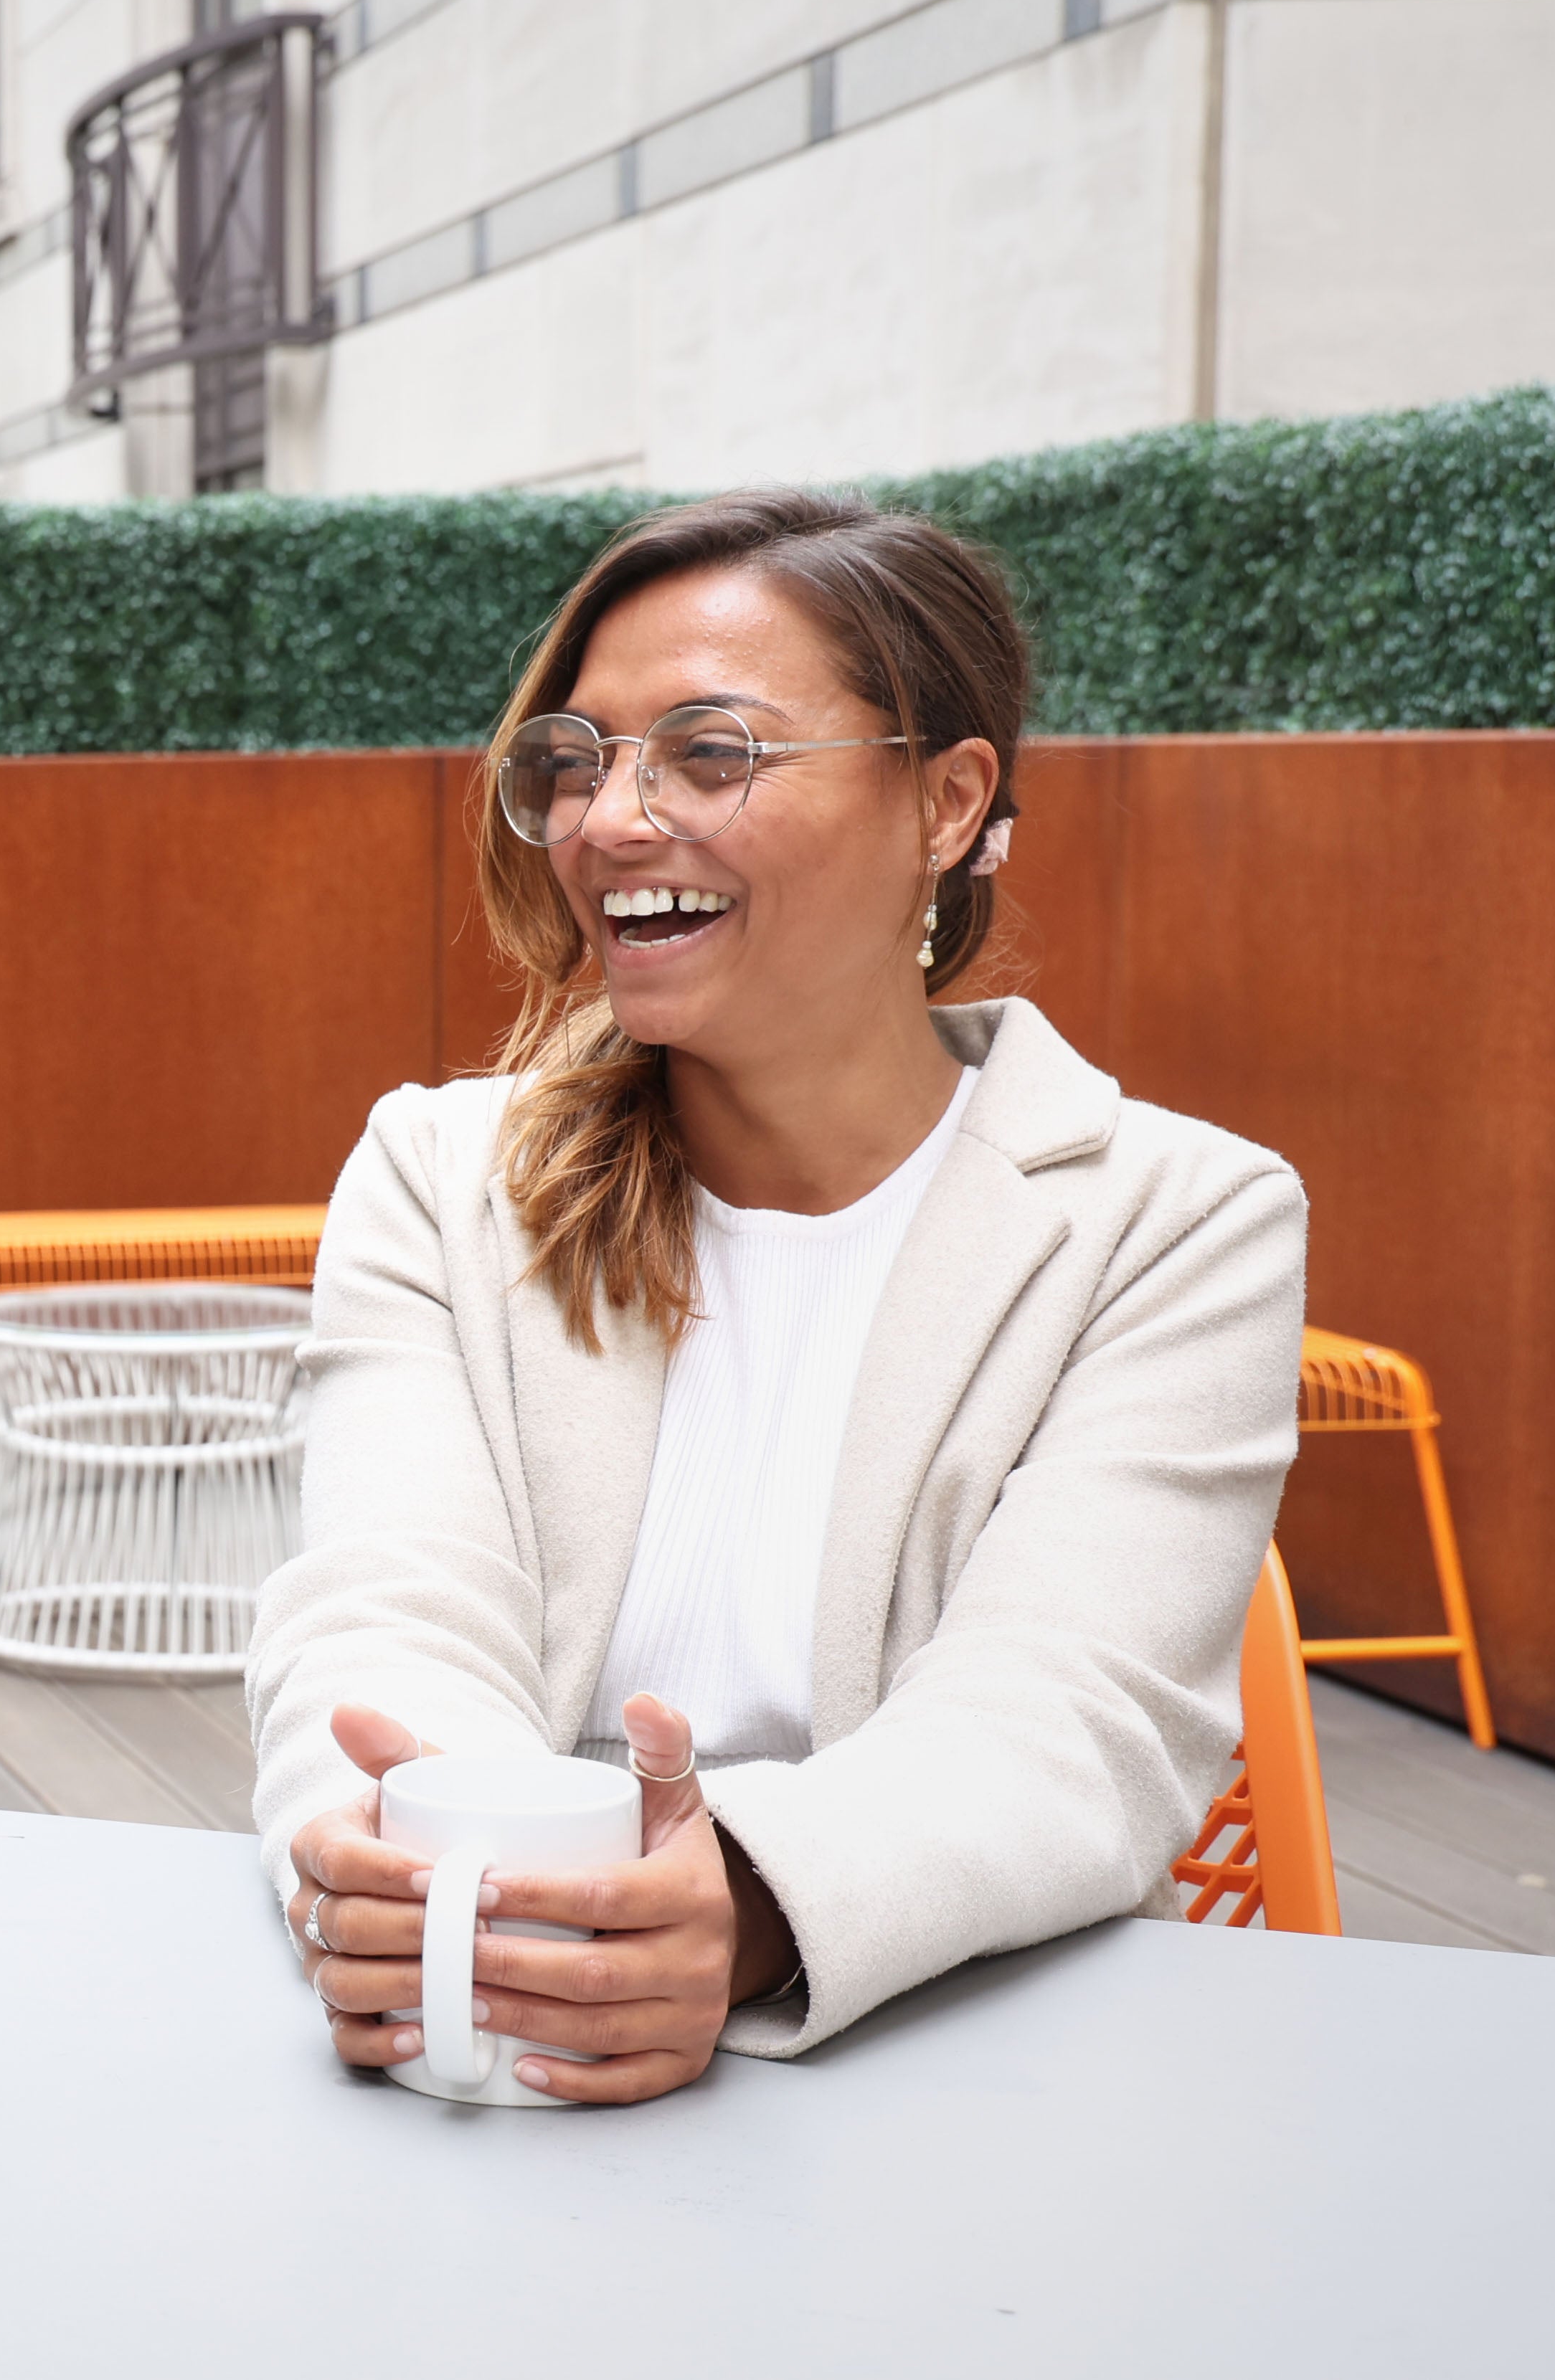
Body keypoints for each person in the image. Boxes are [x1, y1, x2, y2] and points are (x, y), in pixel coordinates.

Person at [254, 489, 1305, 2103]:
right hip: (482, 2048)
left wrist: (736, 1905)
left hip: (963, 2076)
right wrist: (477, 1896)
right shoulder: (439, 1176)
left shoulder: (1176, 1221)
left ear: (946, 802)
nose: (609, 821)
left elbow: (1067, 1713)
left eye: (708, 752)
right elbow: (386, 1615)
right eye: (576, 761)